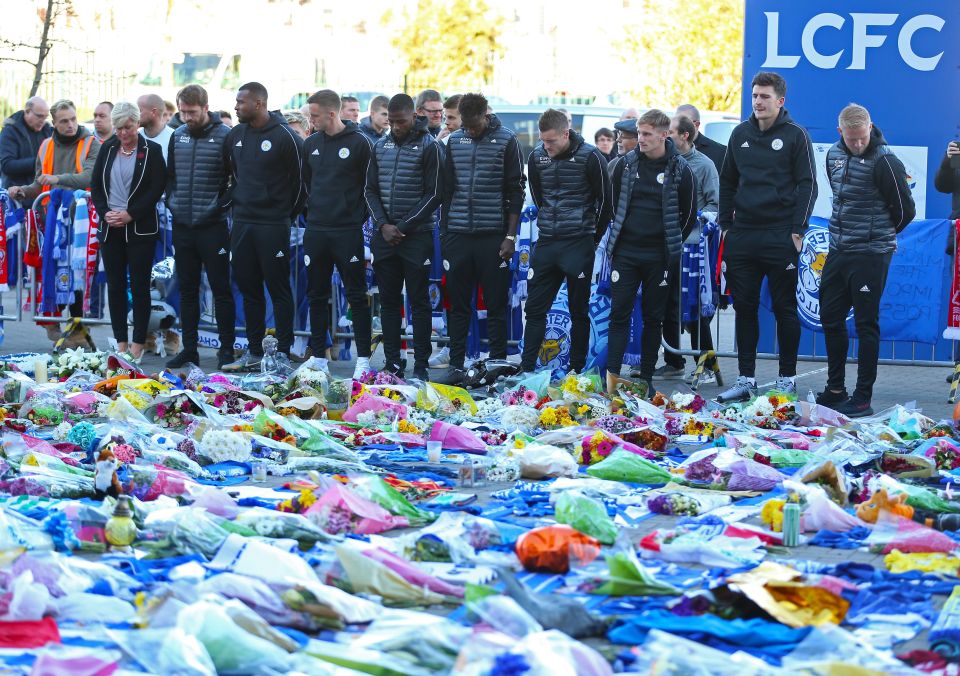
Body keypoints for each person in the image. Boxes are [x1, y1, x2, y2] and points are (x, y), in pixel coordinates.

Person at [717, 71, 817, 402]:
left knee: (785, 309)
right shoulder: (740, 133)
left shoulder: (795, 135)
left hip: (779, 236)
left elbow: (808, 184)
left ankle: (786, 380)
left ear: (780, 101)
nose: (758, 102)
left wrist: (797, 230)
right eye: (755, 95)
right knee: (744, 308)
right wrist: (726, 224)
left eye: (764, 97)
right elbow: (728, 180)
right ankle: (746, 379)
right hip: (743, 235)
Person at [816, 104, 915, 417]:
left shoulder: (885, 160)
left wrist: (878, 235)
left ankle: (862, 397)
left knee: (865, 323)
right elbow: (840, 196)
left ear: (870, 128)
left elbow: (905, 210)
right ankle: (835, 390)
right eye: (851, 138)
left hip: (872, 253)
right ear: (840, 132)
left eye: (862, 137)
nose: (858, 143)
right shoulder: (832, 154)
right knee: (830, 316)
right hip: (839, 248)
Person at [604, 109, 697, 394]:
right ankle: (612, 377)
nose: (639, 139)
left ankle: (645, 377)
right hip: (626, 254)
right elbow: (611, 204)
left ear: (663, 135)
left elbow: (689, 214)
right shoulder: (625, 165)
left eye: (645, 134)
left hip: (659, 257)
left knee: (653, 317)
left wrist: (669, 244)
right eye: (638, 133)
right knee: (619, 314)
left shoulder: (681, 169)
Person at [437, 93, 525, 385]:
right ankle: (457, 365)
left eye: (475, 125)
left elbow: (516, 191)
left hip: (494, 238)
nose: (471, 131)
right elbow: (446, 190)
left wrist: (510, 236)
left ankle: (497, 366)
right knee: (459, 306)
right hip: (458, 237)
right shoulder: (454, 141)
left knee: (496, 305)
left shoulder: (507, 140)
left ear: (486, 116)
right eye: (467, 125)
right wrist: (446, 232)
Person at [222, 82, 305, 371]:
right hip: (243, 224)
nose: (236, 107)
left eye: (240, 102)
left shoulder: (286, 137)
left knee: (278, 288)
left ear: (258, 104)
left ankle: (283, 350)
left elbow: (301, 183)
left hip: (273, 225)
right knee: (249, 288)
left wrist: (283, 213)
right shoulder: (235, 135)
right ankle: (254, 350)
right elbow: (231, 174)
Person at [522, 108, 611, 374]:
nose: (545, 146)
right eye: (543, 140)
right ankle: (526, 369)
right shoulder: (537, 156)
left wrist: (591, 239)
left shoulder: (591, 156)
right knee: (535, 309)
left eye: (551, 141)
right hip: (548, 242)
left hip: (578, 243)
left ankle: (577, 369)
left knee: (578, 310)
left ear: (565, 133)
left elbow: (605, 203)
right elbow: (539, 197)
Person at [7, 99, 101, 347]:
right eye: (63, 121)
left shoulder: (92, 143)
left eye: (73, 119)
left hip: (82, 221)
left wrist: (57, 178)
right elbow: (40, 184)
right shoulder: (46, 145)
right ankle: (57, 324)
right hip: (52, 221)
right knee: (54, 272)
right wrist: (22, 191)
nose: (70, 125)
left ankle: (77, 327)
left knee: (78, 275)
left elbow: (88, 177)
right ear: (54, 123)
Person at [365, 93, 443, 379]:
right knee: (388, 300)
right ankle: (392, 361)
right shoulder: (380, 145)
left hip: (416, 236)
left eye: (401, 121)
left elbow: (435, 194)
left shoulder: (430, 146)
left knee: (419, 301)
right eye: (392, 121)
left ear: (414, 116)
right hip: (384, 236)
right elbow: (369, 190)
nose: (396, 127)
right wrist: (384, 225)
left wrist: (404, 226)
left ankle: (420, 363)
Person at [302, 89, 374, 379]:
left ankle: (364, 360)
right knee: (316, 294)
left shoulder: (360, 143)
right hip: (317, 230)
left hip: (347, 232)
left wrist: (355, 217)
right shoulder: (311, 144)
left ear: (332, 114)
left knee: (356, 296)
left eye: (315, 116)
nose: (311, 121)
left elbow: (369, 188)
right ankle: (319, 357)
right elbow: (308, 183)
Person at [164, 84, 236, 370]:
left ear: (206, 108)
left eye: (191, 112)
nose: (186, 117)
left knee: (220, 289)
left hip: (213, 227)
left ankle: (227, 350)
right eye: (182, 112)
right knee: (187, 289)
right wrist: (173, 203)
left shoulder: (225, 136)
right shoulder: (178, 135)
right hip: (183, 225)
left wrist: (219, 207)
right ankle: (190, 349)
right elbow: (170, 178)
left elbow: (236, 180)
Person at [89, 101, 166, 361]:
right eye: (119, 128)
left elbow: (157, 188)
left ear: (137, 123)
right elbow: (96, 185)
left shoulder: (152, 150)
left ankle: (138, 343)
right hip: (110, 227)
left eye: (128, 127)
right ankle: (120, 342)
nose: (123, 133)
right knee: (116, 286)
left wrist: (131, 214)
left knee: (141, 286)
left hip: (139, 228)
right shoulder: (108, 148)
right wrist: (105, 212)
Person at [657, 114, 720, 382]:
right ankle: (674, 362)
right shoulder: (665, 162)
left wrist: (695, 218)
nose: (665, 135)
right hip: (667, 243)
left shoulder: (704, 165)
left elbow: (716, 205)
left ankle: (705, 363)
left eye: (670, 131)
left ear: (685, 135)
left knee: (694, 306)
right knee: (667, 302)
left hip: (694, 247)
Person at [0, 96, 51, 189]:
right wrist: (39, 162)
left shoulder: (47, 130)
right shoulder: (10, 131)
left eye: (45, 117)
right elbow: (7, 166)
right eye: (39, 116)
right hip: (17, 195)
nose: (42, 121)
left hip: (42, 194)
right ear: (27, 111)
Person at [675, 103, 726, 170]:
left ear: (696, 124)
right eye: (676, 122)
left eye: (683, 122)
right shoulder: (668, 148)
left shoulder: (720, 153)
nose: (678, 126)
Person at [137, 94, 174, 163]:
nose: (135, 115)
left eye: (139, 111)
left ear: (153, 112)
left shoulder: (174, 137)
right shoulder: (135, 136)